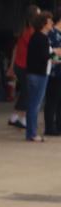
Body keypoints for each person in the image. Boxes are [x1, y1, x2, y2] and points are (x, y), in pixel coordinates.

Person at [11, 5, 42, 128]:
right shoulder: (30, 32)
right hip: (25, 66)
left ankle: (16, 116)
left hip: (20, 65)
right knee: (28, 92)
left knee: (25, 92)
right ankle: (22, 118)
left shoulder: (25, 30)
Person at [26, 12, 52, 141]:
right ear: (44, 24)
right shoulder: (42, 38)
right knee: (35, 105)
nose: (51, 23)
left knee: (33, 104)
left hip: (33, 74)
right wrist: (54, 57)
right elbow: (44, 56)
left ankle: (31, 133)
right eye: (49, 21)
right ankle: (32, 133)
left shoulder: (35, 37)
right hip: (39, 75)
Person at [46, 8, 61, 136]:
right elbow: (49, 54)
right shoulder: (53, 33)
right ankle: (49, 127)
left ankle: (59, 125)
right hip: (54, 72)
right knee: (52, 100)